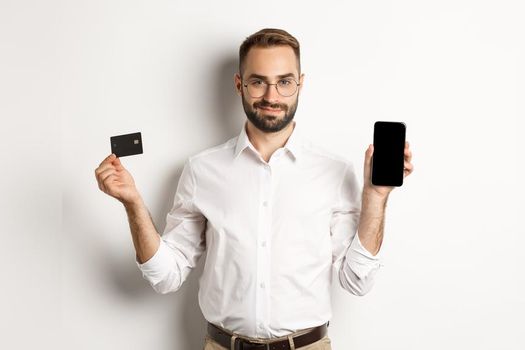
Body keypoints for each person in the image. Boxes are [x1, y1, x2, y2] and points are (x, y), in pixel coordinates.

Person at [94, 28, 414, 350]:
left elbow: (356, 280)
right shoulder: (202, 170)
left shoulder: (333, 171)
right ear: (239, 85)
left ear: (300, 84)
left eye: (284, 82)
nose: (271, 97)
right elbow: (166, 276)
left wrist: (375, 197)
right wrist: (133, 203)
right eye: (258, 81)